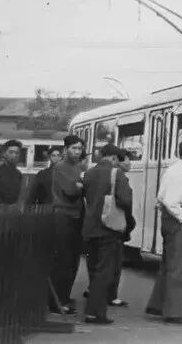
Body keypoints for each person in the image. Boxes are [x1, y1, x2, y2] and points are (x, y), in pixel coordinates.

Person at [146, 139, 182, 326]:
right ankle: (174, 313)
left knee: (168, 264)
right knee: (179, 266)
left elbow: (161, 197)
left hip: (167, 218)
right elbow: (171, 201)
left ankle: (158, 305)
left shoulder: (172, 168)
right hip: (177, 216)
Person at [82, 144, 132, 324]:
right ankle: (95, 313)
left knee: (94, 269)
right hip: (108, 229)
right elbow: (125, 200)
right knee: (105, 272)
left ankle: (93, 310)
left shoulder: (88, 173)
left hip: (90, 228)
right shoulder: (117, 174)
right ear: (114, 158)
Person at [49, 135, 85, 314]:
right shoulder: (61, 167)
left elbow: (80, 187)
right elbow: (71, 191)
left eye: (79, 149)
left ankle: (64, 297)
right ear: (65, 149)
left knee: (72, 261)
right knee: (63, 260)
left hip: (76, 216)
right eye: (74, 148)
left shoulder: (79, 167)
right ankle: (56, 301)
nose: (77, 152)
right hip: (63, 215)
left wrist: (80, 185)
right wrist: (80, 185)